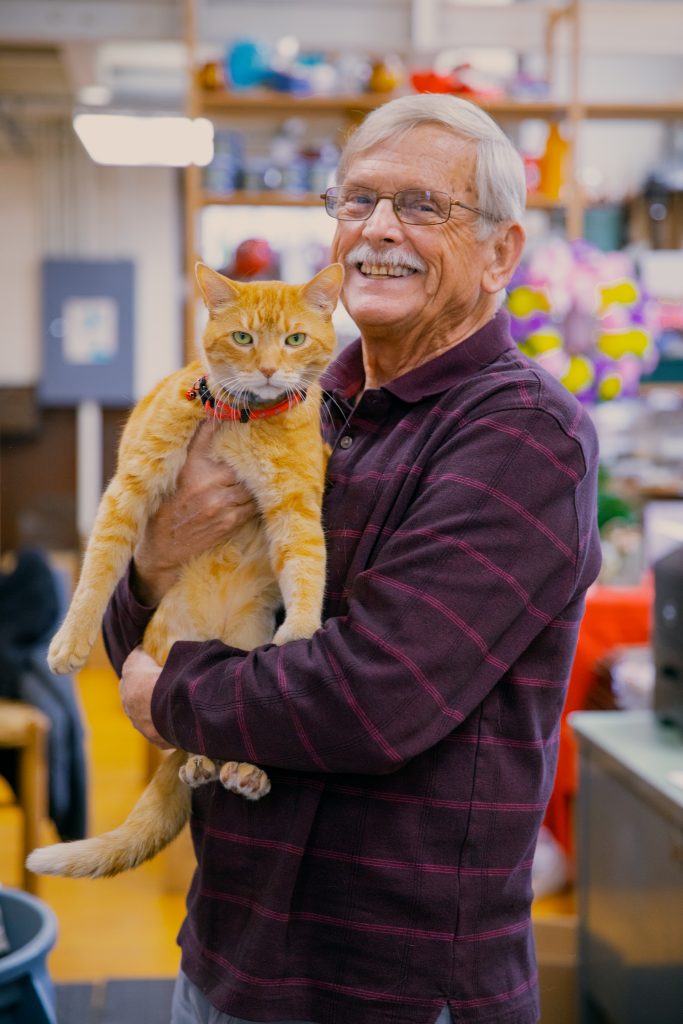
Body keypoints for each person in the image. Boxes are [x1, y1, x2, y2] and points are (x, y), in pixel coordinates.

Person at [105, 94, 601, 1024]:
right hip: (227, 953)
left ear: (500, 255)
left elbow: (374, 696)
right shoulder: (292, 407)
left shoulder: (523, 436)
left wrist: (164, 693)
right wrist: (160, 550)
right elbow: (133, 626)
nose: (377, 229)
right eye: (355, 200)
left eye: (422, 205)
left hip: (391, 989)